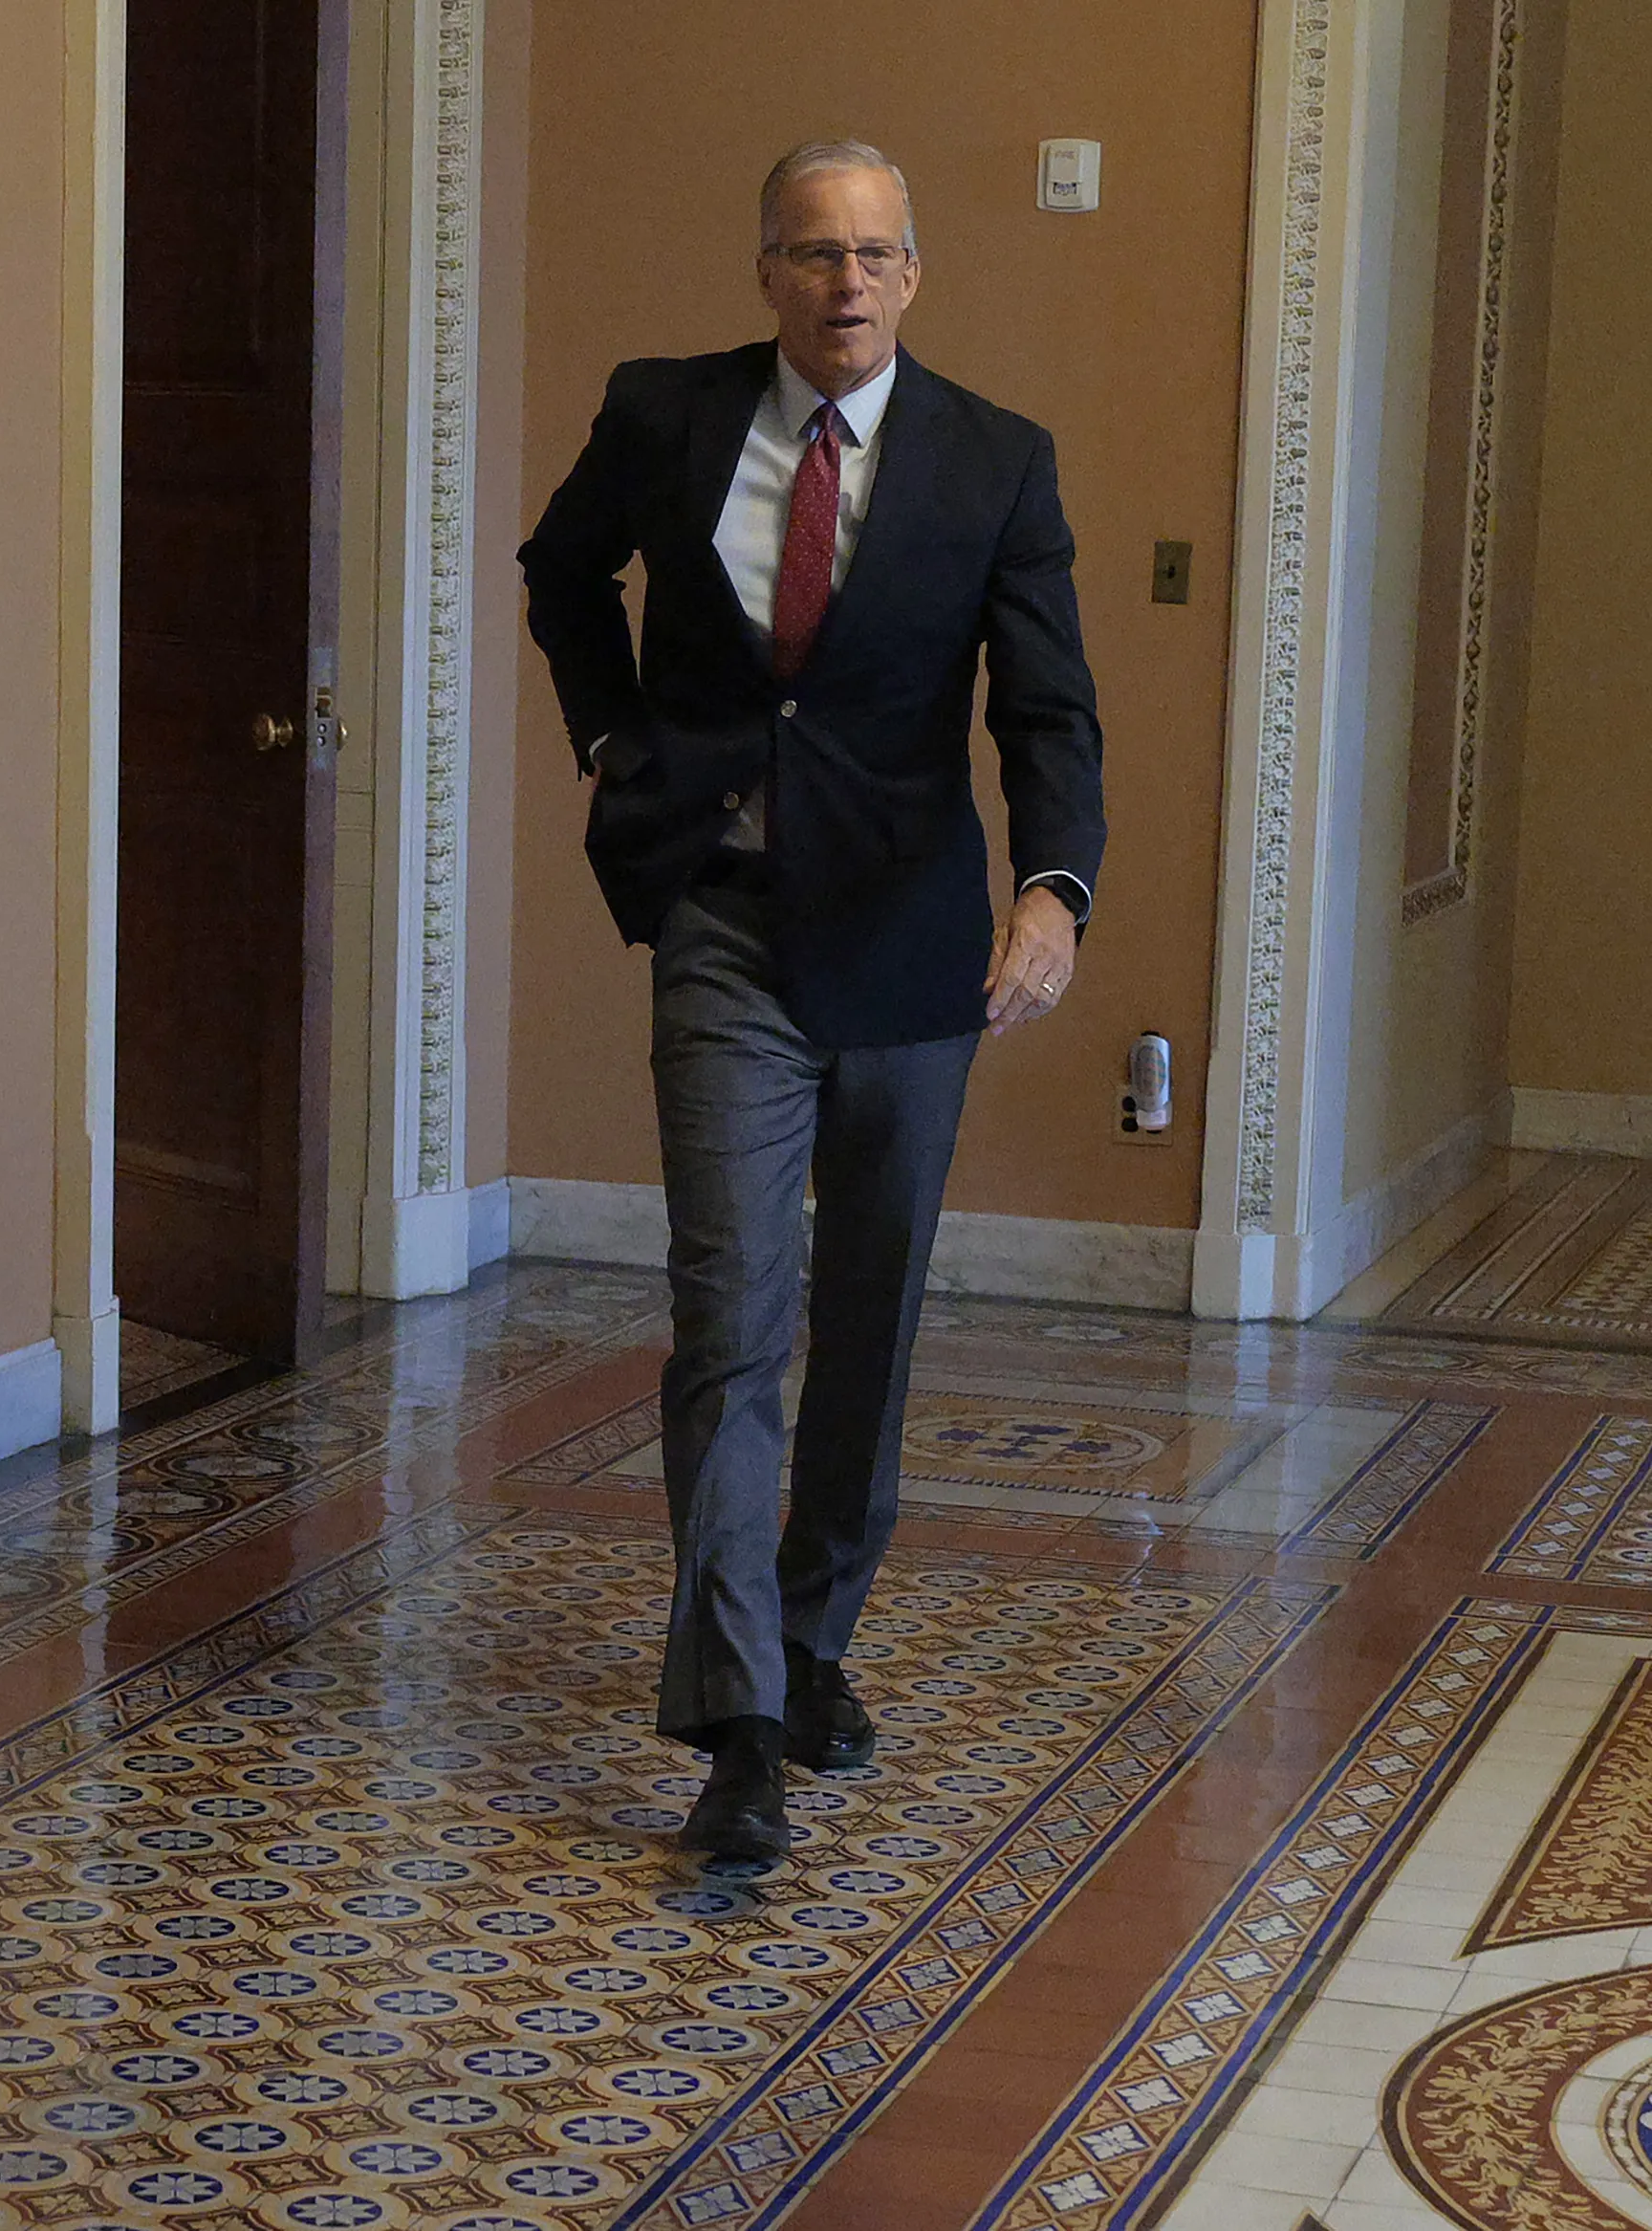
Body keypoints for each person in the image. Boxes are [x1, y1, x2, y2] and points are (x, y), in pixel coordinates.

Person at [515, 141, 1103, 1868]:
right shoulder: (666, 414)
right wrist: (617, 741)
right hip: (726, 926)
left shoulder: (995, 463)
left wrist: (1054, 892)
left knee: (870, 1323)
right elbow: (562, 576)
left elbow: (1047, 710)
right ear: (766, 270)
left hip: (914, 951)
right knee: (732, 1315)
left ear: (914, 273)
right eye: (811, 254)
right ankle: (739, 1721)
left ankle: (818, 1636)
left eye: (875, 256)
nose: (845, 284)